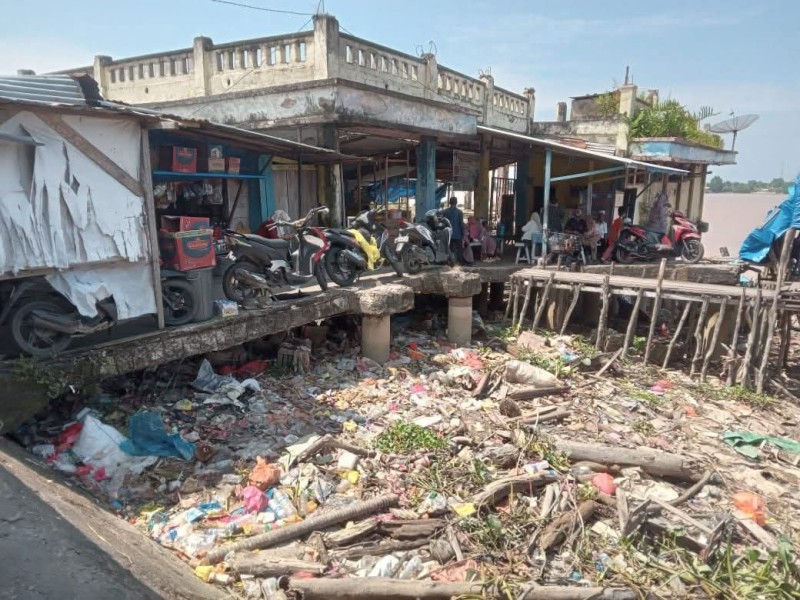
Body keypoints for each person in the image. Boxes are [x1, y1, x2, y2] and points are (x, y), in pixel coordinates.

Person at [442, 197, 465, 262]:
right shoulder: (460, 212)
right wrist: (462, 233)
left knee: (449, 248)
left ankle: (449, 261)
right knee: (459, 249)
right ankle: (460, 261)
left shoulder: (445, 212)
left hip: (449, 234)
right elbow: (461, 224)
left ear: (449, 202)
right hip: (458, 234)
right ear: (456, 202)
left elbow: (443, 223)